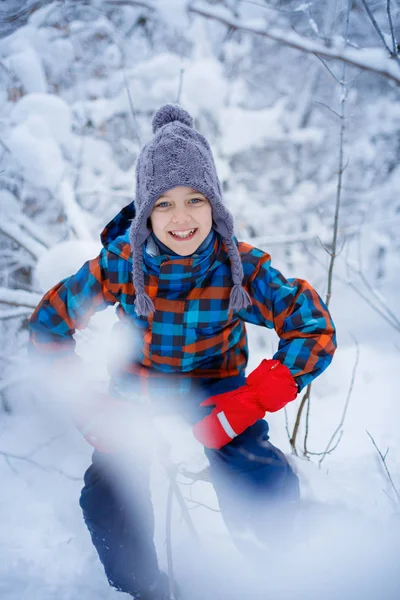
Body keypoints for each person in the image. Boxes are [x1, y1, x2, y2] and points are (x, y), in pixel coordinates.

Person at [28, 104, 337, 599]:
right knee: (110, 488)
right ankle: (143, 586)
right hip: (138, 384)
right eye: (164, 203)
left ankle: (283, 571)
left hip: (216, 381)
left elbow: (312, 325)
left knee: (251, 463)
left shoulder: (239, 268)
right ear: (146, 211)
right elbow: (48, 328)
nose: (182, 217)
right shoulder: (121, 264)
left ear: (215, 204)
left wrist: (255, 398)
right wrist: (90, 406)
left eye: (196, 199)